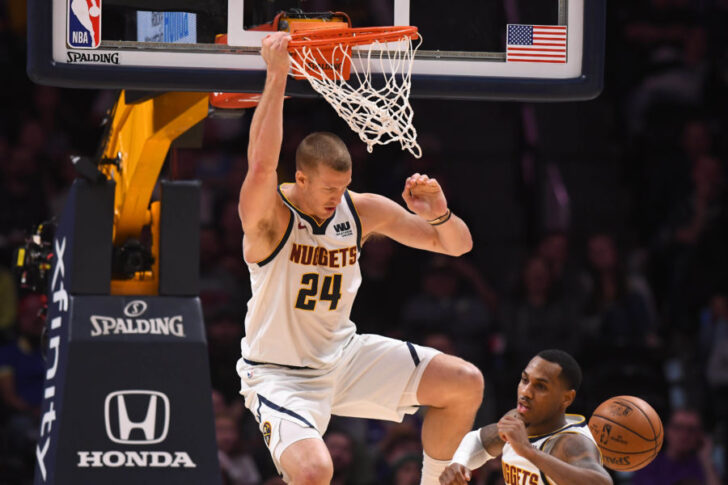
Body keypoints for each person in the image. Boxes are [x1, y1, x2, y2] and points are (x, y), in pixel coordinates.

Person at [236, 32, 484, 485]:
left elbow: (457, 246)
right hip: (280, 375)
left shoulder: (360, 209)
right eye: (329, 189)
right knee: (314, 472)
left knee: (465, 382)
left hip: (344, 356)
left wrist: (440, 212)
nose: (338, 198)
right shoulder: (269, 218)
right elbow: (259, 165)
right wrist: (276, 76)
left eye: (343, 187)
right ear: (300, 178)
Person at [439, 349, 612, 485]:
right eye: (524, 380)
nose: (526, 392)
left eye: (541, 387)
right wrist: (459, 463)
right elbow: (479, 439)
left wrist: (528, 451)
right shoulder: (518, 419)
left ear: (566, 398)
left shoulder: (570, 443)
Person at [631, 408, 721, 485]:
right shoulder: (649, 466)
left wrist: (706, 460)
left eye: (691, 430)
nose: (684, 435)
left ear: (700, 435)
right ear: (667, 430)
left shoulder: (703, 466)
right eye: (678, 427)